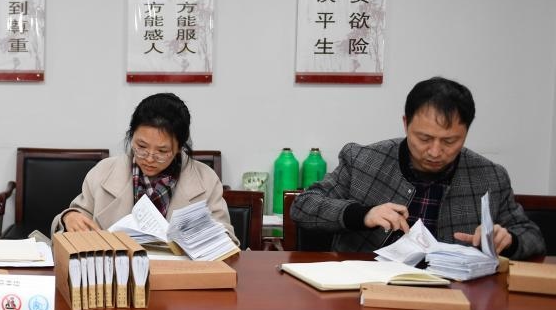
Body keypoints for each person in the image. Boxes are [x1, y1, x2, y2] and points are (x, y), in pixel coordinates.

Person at [290, 76, 544, 259]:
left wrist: (508, 240)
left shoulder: (489, 176)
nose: (435, 152)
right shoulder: (363, 160)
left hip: (453, 295)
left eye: (449, 141)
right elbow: (304, 206)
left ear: (466, 132)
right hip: (367, 290)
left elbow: (532, 236)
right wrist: (363, 215)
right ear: (405, 123)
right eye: (424, 138)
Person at [52, 92, 239, 247]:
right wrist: (69, 217)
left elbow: (226, 240)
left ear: (179, 147)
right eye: (141, 147)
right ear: (131, 136)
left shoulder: (206, 180)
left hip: (179, 276)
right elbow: (77, 217)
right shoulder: (103, 172)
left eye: (162, 151)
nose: (149, 158)